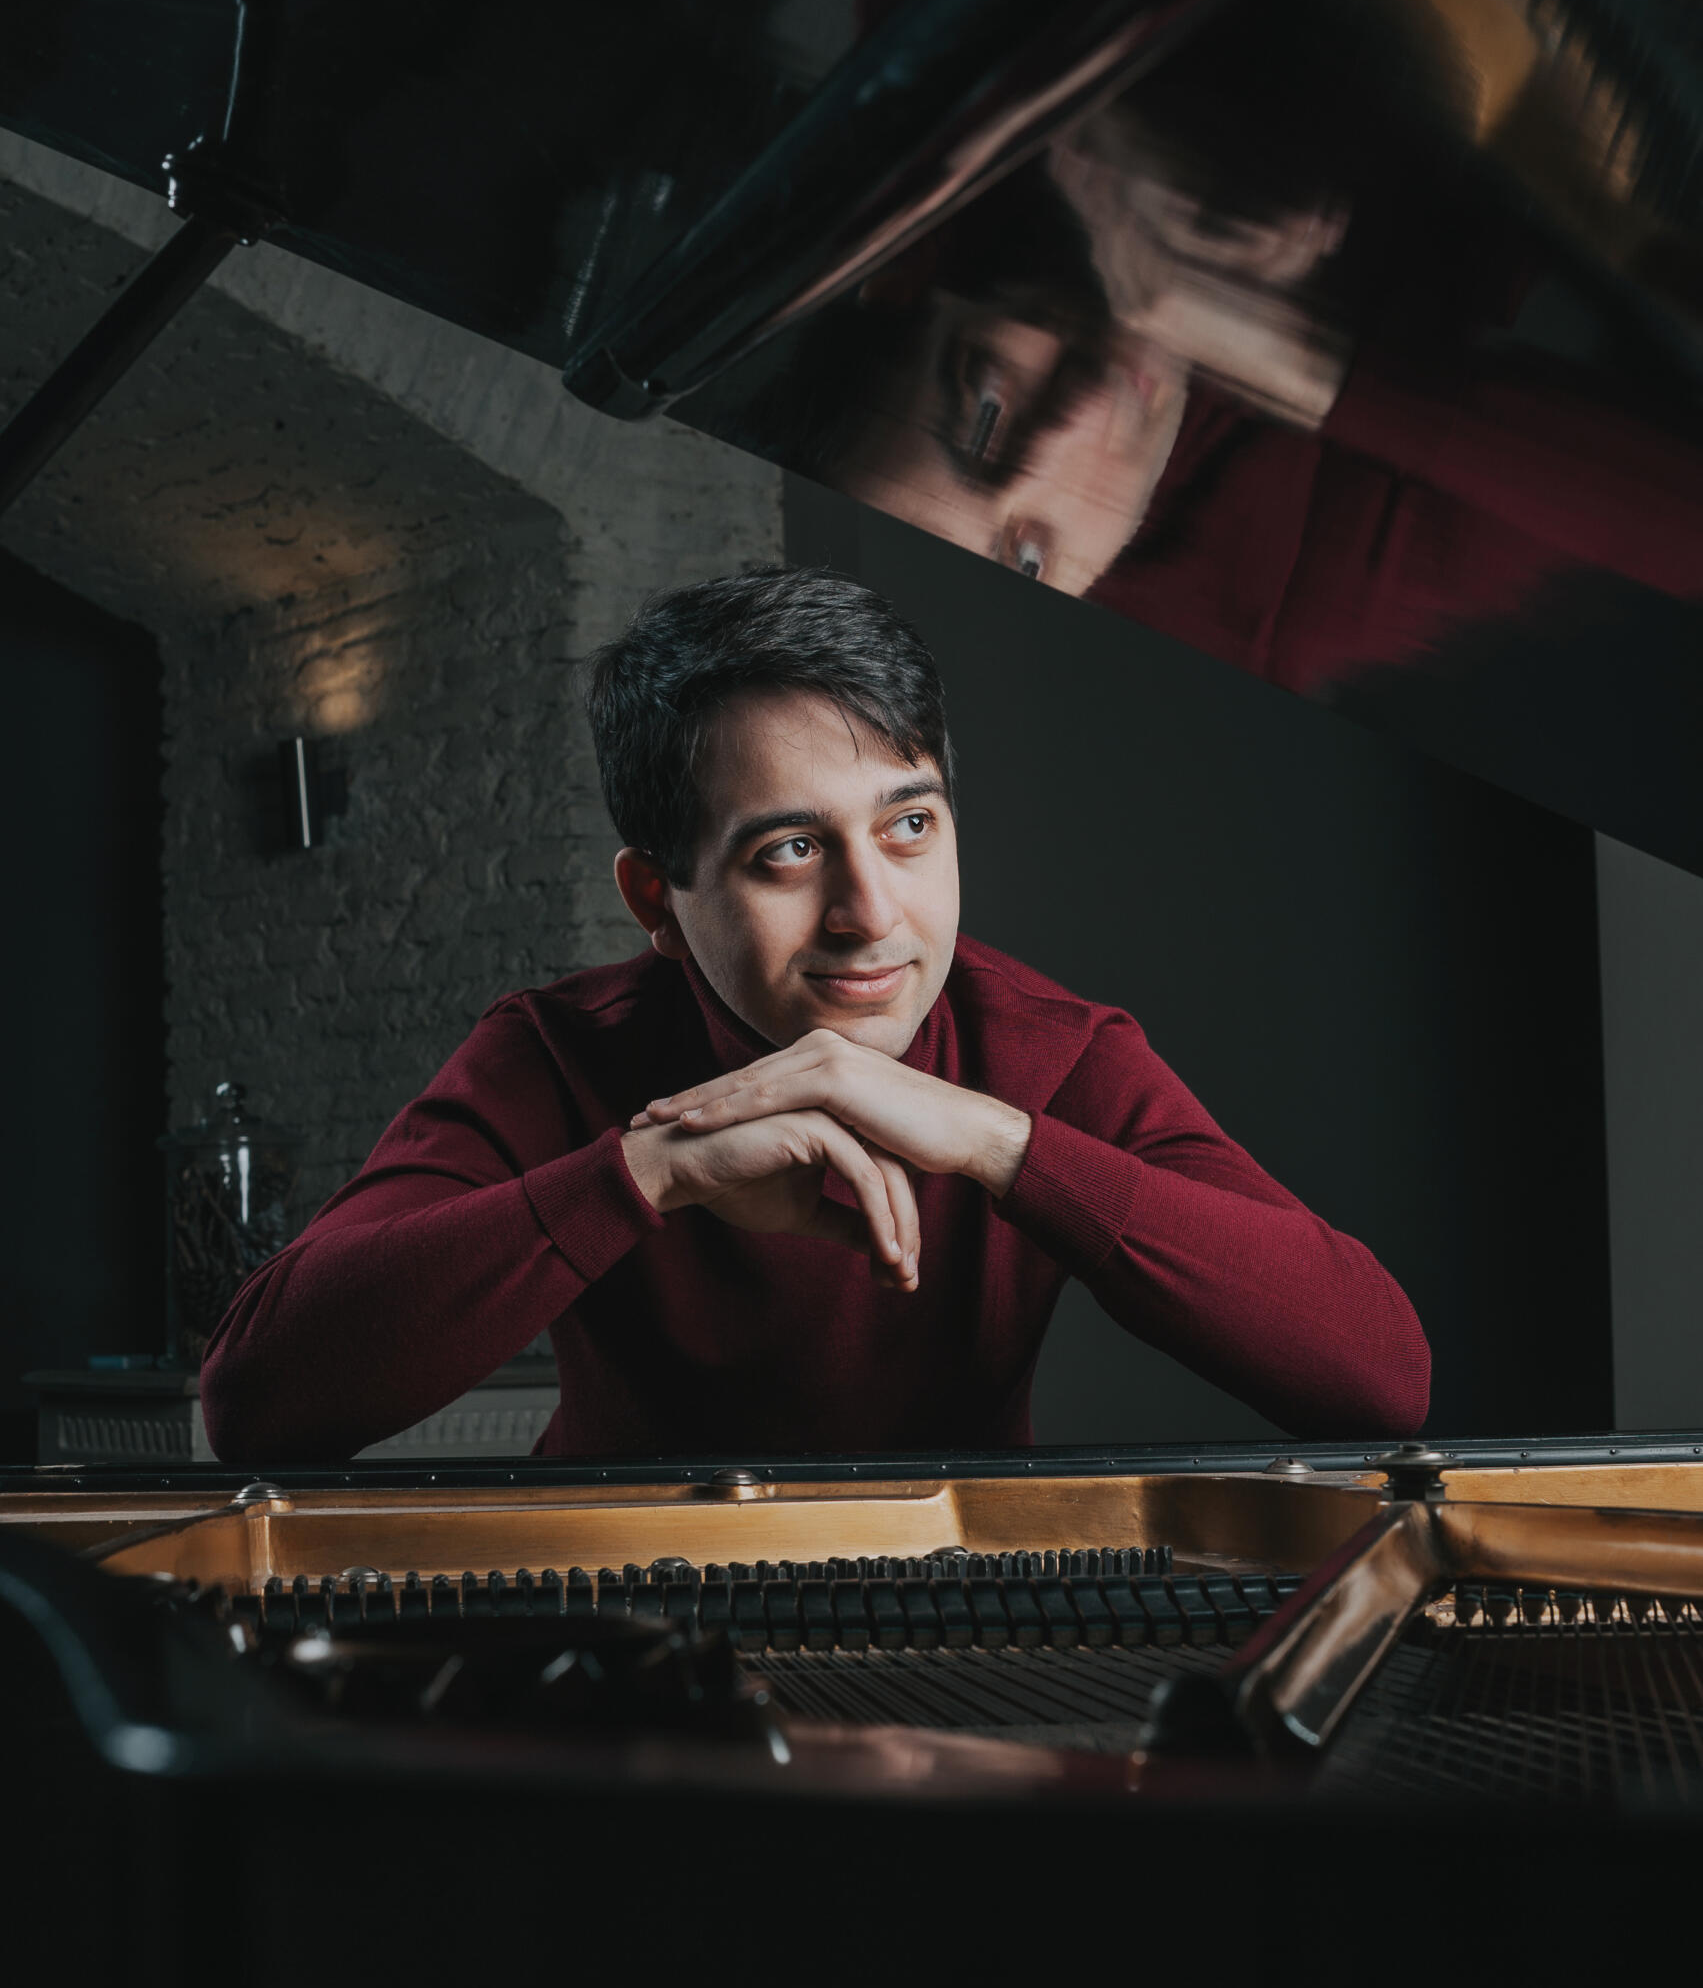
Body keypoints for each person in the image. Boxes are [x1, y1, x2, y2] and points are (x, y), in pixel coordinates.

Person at [201, 566, 1429, 1463]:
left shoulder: (1058, 1052)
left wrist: (998, 1142)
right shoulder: (556, 1052)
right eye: (789, 851)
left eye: (909, 825)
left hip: (968, 1616)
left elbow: (1378, 1378)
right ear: (657, 898)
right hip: (614, 1632)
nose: (869, 912)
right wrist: (644, 1169)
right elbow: (254, 1398)